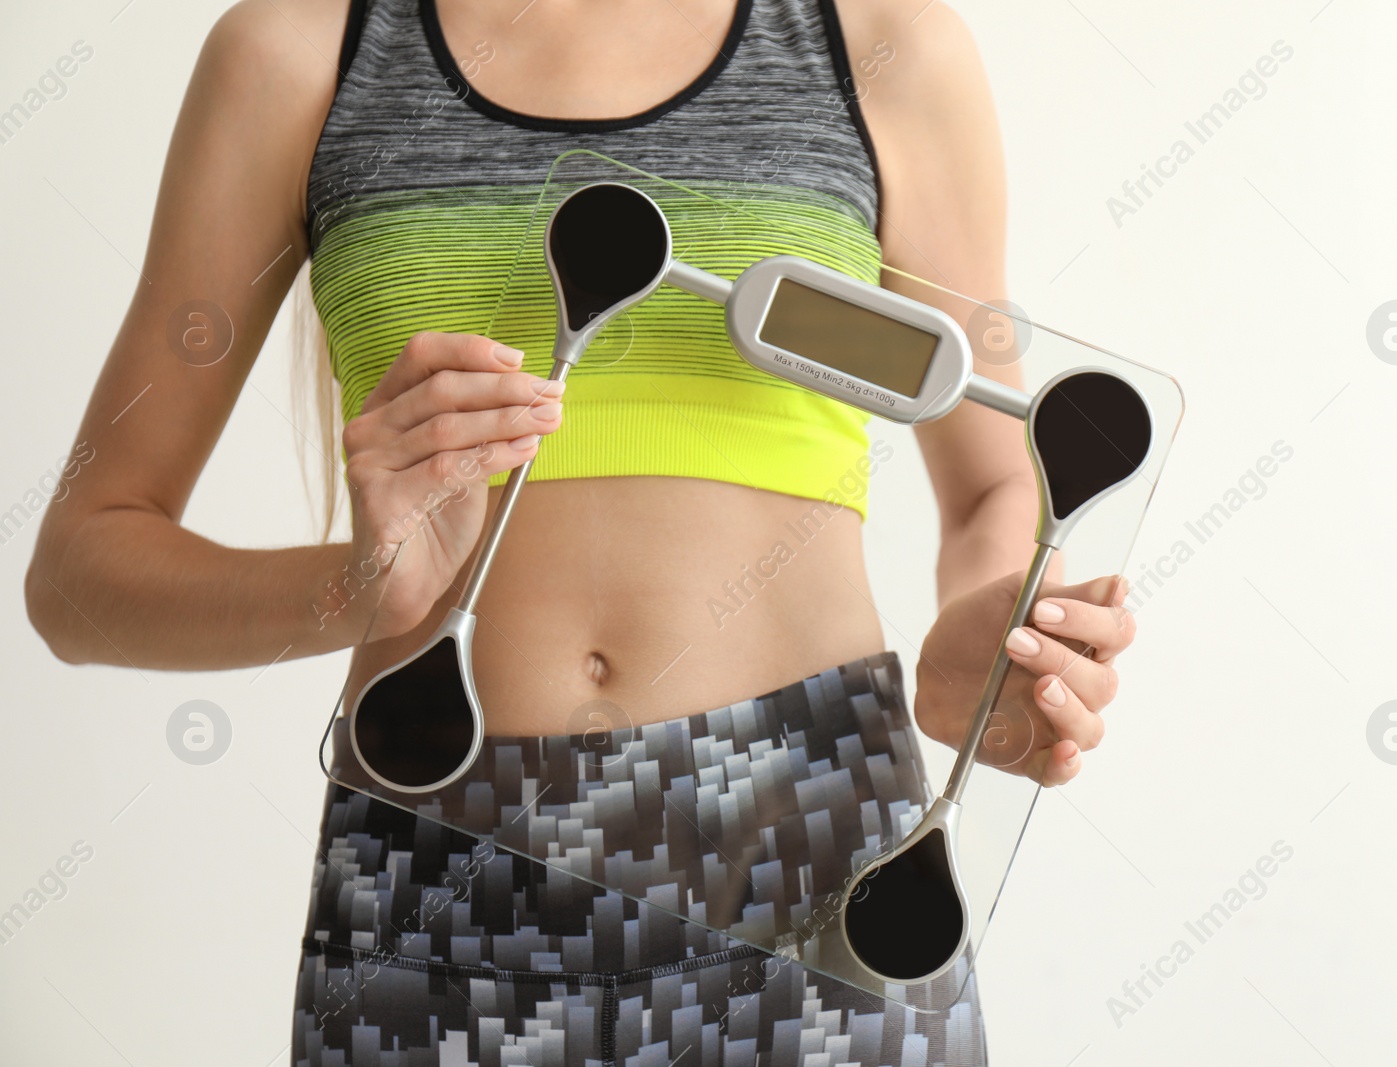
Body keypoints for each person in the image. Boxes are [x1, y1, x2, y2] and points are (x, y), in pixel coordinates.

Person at [25, 0, 1136, 1062]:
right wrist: (359, 589)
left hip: (820, 851)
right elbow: (79, 570)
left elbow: (1000, 483)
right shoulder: (291, 60)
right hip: (438, 851)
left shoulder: (887, 50)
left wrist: (990, 654)